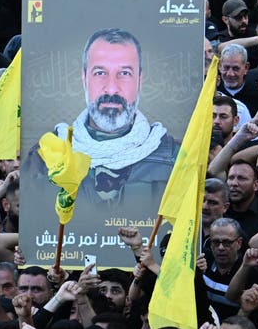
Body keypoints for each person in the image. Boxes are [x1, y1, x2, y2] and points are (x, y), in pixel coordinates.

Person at [52, 28, 177, 206]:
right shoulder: (47, 154)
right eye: (100, 73)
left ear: (140, 80)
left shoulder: (173, 157)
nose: (111, 89)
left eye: (124, 73)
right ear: (84, 78)